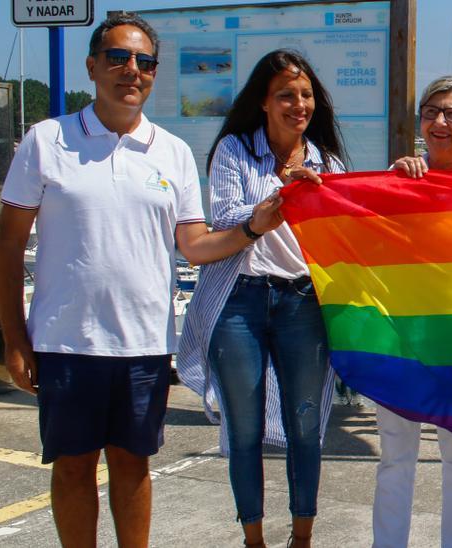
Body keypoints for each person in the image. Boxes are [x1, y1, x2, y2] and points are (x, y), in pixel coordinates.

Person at [0, 13, 284, 548]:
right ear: (92, 67)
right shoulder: (46, 140)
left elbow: (194, 245)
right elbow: (9, 246)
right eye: (118, 58)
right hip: (65, 342)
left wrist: (251, 226)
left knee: (132, 470)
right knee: (73, 469)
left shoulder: (171, 150)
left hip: (144, 345)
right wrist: (15, 341)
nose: (132, 70)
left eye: (144, 61)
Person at [177, 49, 345, 548]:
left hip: (302, 304)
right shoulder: (234, 150)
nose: (299, 104)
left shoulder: (327, 162)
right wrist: (285, 191)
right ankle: (253, 539)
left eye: (306, 95)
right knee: (244, 427)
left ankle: (302, 537)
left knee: (305, 423)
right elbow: (229, 217)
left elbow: (343, 232)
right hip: (239, 302)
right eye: (286, 95)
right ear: (265, 103)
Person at [376, 74, 452, 548]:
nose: (439, 122)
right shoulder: (400, 181)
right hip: (402, 337)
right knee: (395, 455)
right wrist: (392, 185)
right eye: (430, 113)